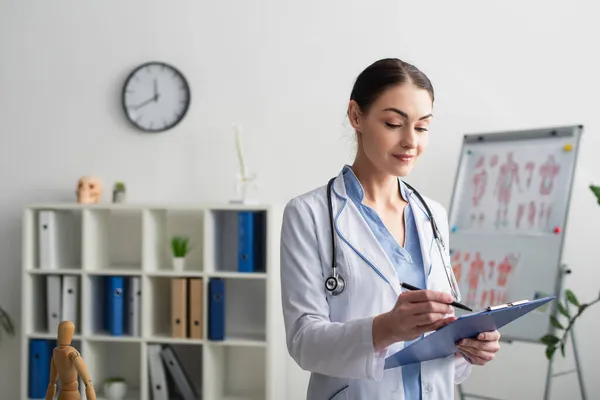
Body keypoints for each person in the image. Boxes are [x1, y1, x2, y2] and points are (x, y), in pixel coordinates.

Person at [280, 58, 501, 400]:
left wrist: (467, 347)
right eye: (394, 123)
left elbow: (437, 336)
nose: (411, 141)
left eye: (423, 127)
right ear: (357, 116)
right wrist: (384, 328)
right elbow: (303, 343)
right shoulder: (309, 214)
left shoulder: (433, 216)